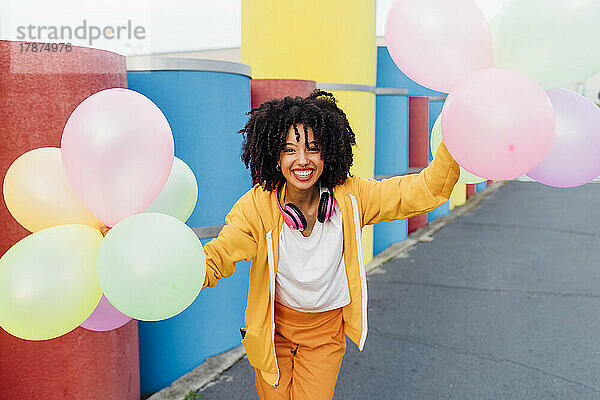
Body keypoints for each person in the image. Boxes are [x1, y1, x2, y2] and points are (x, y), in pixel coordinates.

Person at [202, 90, 460, 399]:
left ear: (328, 152)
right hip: (273, 332)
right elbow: (220, 253)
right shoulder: (257, 207)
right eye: (289, 150)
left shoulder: (351, 197)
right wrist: (182, 275)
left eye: (313, 148)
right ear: (275, 156)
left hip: (324, 335)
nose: (302, 161)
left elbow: (423, 191)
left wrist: (456, 140)